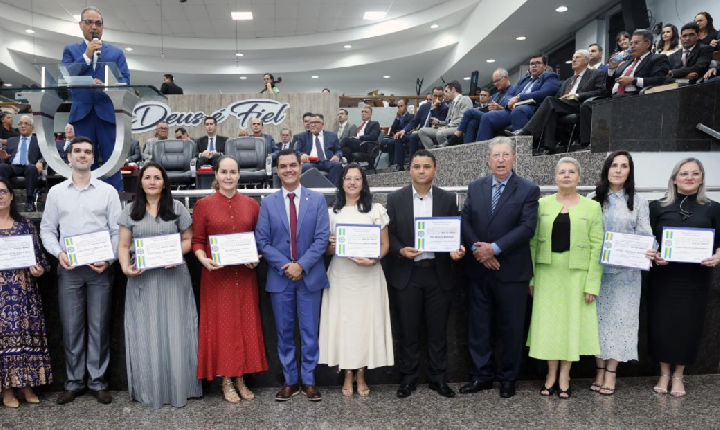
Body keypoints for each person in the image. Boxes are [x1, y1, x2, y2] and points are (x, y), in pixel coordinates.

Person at [39, 136, 121, 405]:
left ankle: (97, 382)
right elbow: (48, 230)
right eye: (77, 151)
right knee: (72, 327)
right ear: (69, 157)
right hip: (69, 269)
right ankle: (74, 382)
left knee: (98, 326)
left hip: (100, 269)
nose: (83, 155)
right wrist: (59, 253)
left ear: (93, 158)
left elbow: (116, 231)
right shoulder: (57, 192)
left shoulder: (107, 192)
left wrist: (108, 259)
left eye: (87, 152)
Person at [459, 137, 539, 399]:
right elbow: (466, 221)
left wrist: (494, 249)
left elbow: (526, 228)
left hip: (512, 272)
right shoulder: (475, 186)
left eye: (506, 155)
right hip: (478, 269)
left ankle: (508, 379)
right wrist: (478, 251)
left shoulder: (528, 189)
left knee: (511, 328)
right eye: (496, 155)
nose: (501, 160)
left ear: (515, 159)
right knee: (479, 327)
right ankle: (481, 376)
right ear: (488, 160)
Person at [116, 163, 201, 408]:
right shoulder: (129, 211)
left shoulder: (177, 208)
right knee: (146, 334)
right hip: (142, 280)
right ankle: (149, 389)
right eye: (147, 177)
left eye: (157, 177)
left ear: (164, 182)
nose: (152, 181)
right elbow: (123, 246)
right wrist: (125, 268)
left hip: (173, 278)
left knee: (177, 330)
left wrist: (174, 253)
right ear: (140, 182)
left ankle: (180, 388)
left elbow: (189, 239)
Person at [386, 149, 466, 399]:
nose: (421, 171)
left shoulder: (446, 198)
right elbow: (392, 234)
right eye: (417, 166)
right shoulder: (395, 198)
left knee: (437, 330)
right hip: (407, 273)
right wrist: (400, 250)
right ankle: (408, 379)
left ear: (435, 170)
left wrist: (457, 250)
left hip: (437, 272)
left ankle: (438, 379)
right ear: (410, 170)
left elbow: (453, 232)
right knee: (408, 330)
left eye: (426, 166)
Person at [255, 149, 330, 402]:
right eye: (283, 166)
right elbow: (262, 241)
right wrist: (287, 266)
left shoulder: (317, 200)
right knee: (284, 332)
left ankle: (309, 381)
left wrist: (302, 265)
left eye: (293, 165)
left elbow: (321, 239)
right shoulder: (268, 202)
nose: (288, 170)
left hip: (309, 277)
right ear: (277, 170)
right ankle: (289, 380)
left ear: (301, 166)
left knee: (309, 332)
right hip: (280, 278)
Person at [192, 156, 268, 403]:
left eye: (232, 172)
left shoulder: (251, 205)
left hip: (244, 277)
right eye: (223, 172)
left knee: (244, 326)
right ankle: (226, 379)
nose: (228, 177)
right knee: (223, 328)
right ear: (215, 174)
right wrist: (203, 259)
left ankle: (241, 378)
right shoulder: (204, 205)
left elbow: (260, 240)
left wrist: (257, 256)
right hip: (216, 278)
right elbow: (198, 242)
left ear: (239, 175)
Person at [527, 157, 603, 399]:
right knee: (550, 326)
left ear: (579, 177)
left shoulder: (592, 207)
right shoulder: (541, 205)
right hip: (547, 272)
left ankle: (565, 375)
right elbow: (530, 243)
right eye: (562, 172)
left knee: (571, 325)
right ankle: (550, 374)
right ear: (555, 177)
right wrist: (531, 278)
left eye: (571, 172)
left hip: (577, 274)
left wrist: (592, 283)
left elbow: (597, 247)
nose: (567, 176)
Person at [647, 157, 720, 397]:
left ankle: (679, 375)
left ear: (701, 179)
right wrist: (653, 253)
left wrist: (718, 256)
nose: (689, 177)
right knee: (662, 325)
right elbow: (648, 239)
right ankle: (664, 373)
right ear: (674, 178)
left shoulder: (713, 208)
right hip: (664, 278)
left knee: (689, 326)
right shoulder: (657, 206)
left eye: (695, 174)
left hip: (695, 279)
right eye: (684, 173)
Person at [318, 164, 393, 397]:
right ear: (341, 182)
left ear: (364, 182)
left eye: (357, 179)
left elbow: (385, 246)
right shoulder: (332, 212)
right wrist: (330, 246)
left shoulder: (376, 210)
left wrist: (373, 260)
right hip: (342, 275)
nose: (352, 182)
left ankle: (361, 374)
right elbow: (328, 253)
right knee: (345, 325)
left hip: (368, 276)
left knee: (365, 325)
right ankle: (347, 373)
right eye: (348, 178)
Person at [589, 151, 652, 396]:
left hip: (627, 275)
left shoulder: (639, 202)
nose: (618, 170)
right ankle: (598, 369)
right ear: (606, 169)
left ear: (629, 171)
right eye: (613, 165)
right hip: (598, 272)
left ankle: (611, 371)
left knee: (620, 322)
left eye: (623, 166)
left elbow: (645, 235)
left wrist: (651, 251)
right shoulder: (593, 198)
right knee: (598, 323)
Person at [62, 6, 130, 191]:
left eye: (98, 23)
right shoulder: (70, 50)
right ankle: (82, 203)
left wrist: (107, 87)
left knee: (112, 162)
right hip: (82, 114)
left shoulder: (116, 53)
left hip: (108, 113)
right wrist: (87, 55)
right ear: (80, 25)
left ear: (103, 27)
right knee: (82, 162)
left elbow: (125, 81)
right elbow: (67, 76)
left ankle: (114, 208)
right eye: (89, 22)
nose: (94, 27)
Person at [0, 177, 52, 408]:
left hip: (24, 293)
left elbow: (41, 259)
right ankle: (7, 390)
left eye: (3, 191)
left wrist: (39, 269)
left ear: (12, 196)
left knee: (25, 340)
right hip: (1, 294)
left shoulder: (26, 227)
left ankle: (26, 385)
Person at [508, 49, 607, 154]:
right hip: (566, 105)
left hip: (581, 103)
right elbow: (558, 96)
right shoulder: (568, 81)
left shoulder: (596, 73)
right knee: (551, 108)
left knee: (549, 101)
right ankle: (549, 147)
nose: (573, 60)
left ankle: (525, 132)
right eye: (573, 58)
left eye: (577, 57)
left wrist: (577, 95)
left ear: (587, 60)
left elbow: (601, 92)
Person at [475, 53, 561, 142]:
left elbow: (545, 93)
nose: (534, 66)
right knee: (487, 117)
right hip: (513, 109)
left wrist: (520, 97)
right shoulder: (524, 80)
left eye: (538, 63)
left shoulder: (550, 76)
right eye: (532, 64)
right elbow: (512, 96)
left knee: (519, 111)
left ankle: (522, 148)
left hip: (533, 108)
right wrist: (504, 106)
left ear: (545, 66)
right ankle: (483, 152)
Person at [448, 70, 513, 146]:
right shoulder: (496, 95)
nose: (495, 84)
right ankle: (467, 149)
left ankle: (456, 135)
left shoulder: (514, 90)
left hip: (503, 118)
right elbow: (488, 108)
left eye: (497, 81)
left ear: (506, 77)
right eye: (494, 82)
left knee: (470, 112)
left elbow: (514, 108)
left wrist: (500, 108)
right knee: (472, 122)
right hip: (490, 116)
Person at [392, 87, 448, 171]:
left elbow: (440, 122)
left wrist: (434, 108)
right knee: (399, 136)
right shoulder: (424, 107)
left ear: (443, 96)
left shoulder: (444, 108)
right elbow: (414, 121)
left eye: (440, 96)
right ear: (432, 96)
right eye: (435, 95)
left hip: (432, 132)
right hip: (419, 131)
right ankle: (399, 165)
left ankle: (412, 164)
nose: (437, 98)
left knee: (413, 136)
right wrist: (403, 130)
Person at [0, 115, 44, 212]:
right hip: (13, 166)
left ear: (32, 128)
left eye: (26, 124)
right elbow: (5, 156)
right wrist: (5, 157)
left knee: (32, 168)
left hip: (29, 166)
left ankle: (29, 201)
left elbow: (45, 155)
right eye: (20, 124)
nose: (22, 126)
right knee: (2, 167)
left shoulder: (38, 141)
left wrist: (40, 161)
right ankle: (4, 199)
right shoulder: (11, 140)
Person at [417, 81, 472, 148]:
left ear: (453, 90)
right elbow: (447, 121)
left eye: (446, 91)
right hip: (449, 127)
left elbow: (462, 120)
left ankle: (444, 154)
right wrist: (439, 122)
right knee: (422, 131)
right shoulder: (451, 103)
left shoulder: (465, 99)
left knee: (440, 133)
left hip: (458, 128)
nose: (444, 94)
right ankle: (433, 153)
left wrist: (446, 127)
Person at [296, 114, 342, 186]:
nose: (312, 125)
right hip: (311, 161)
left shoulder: (332, 135)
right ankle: (310, 190)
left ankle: (333, 190)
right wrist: (302, 155)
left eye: (315, 122)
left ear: (322, 124)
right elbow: (296, 152)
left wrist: (337, 156)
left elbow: (338, 150)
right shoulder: (302, 136)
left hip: (328, 161)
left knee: (337, 165)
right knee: (306, 167)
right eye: (311, 123)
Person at [380, 99, 414, 166]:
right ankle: (391, 162)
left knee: (391, 142)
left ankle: (394, 163)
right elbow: (392, 129)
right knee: (384, 141)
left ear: (406, 106)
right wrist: (397, 118)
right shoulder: (398, 117)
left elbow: (409, 128)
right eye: (398, 107)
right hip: (395, 136)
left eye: (401, 106)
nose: (400, 108)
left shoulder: (411, 116)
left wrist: (400, 132)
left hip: (404, 136)